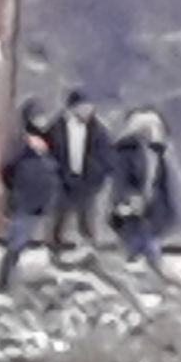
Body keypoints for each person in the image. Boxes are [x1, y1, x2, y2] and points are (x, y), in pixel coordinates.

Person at [0, 100, 60, 291]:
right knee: (17, 242)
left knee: (38, 242)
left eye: (43, 117)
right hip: (25, 200)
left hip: (43, 201)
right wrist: (18, 189)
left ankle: (29, 282)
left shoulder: (50, 143)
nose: (42, 121)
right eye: (37, 117)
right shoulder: (21, 144)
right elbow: (8, 170)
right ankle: (4, 283)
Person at [115, 108, 180, 275]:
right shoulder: (127, 150)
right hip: (132, 208)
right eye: (147, 126)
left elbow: (168, 182)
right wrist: (128, 199)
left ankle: (152, 273)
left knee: (151, 244)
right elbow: (121, 179)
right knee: (140, 245)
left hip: (156, 208)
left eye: (155, 126)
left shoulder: (161, 151)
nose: (152, 130)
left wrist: (170, 206)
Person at [50, 88, 114, 255]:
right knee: (59, 217)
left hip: (87, 181)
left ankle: (90, 249)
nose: (88, 111)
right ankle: (56, 249)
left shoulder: (99, 130)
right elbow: (51, 154)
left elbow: (107, 157)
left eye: (90, 107)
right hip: (63, 180)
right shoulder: (56, 128)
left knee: (87, 218)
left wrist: (96, 175)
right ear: (72, 108)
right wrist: (57, 174)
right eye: (84, 107)